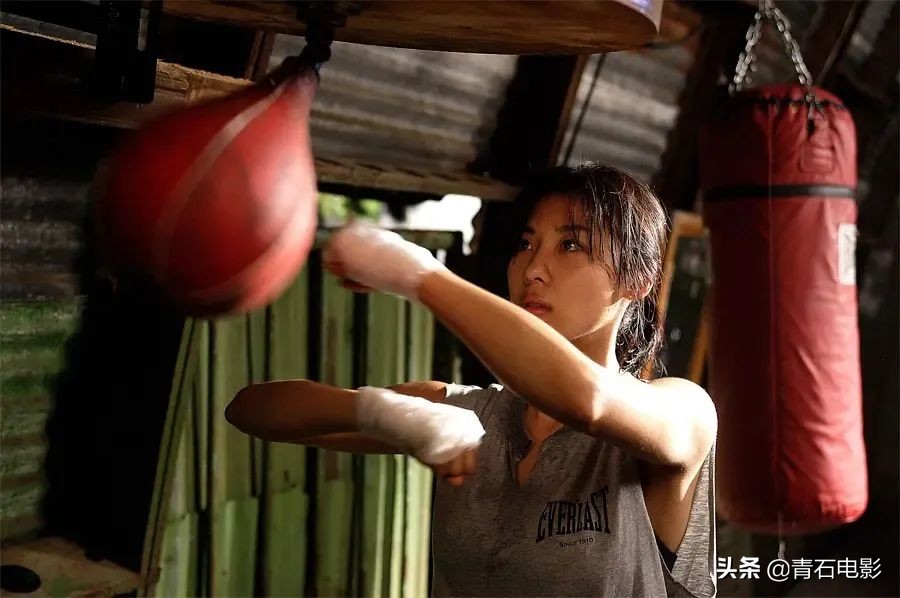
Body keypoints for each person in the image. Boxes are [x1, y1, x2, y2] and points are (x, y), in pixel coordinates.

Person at [226, 163, 718, 597]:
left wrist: (419, 274)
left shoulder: (681, 410)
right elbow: (249, 410)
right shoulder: (469, 418)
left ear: (638, 278)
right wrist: (380, 412)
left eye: (571, 244)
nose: (534, 269)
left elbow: (588, 400)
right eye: (525, 244)